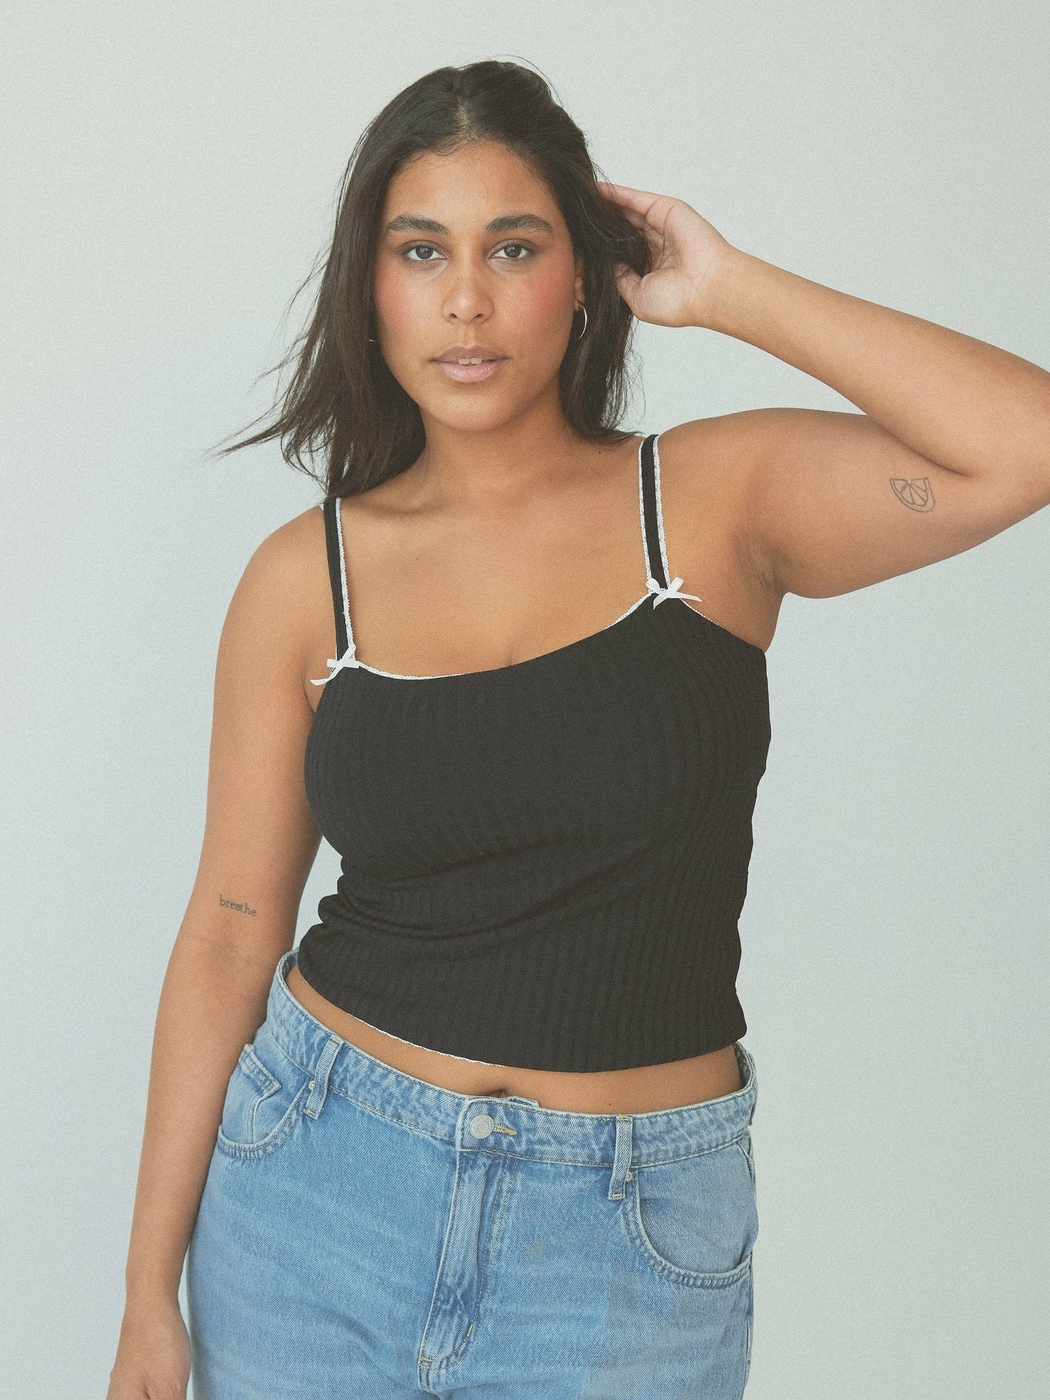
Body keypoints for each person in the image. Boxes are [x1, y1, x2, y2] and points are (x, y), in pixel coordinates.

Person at [106, 59, 1050, 1400]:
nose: (466, 299)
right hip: (318, 1194)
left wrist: (728, 287)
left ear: (587, 275)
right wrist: (147, 1292)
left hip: (623, 1247)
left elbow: (1024, 443)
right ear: (369, 284)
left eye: (514, 247)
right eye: (420, 250)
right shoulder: (304, 578)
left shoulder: (711, 506)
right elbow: (227, 931)